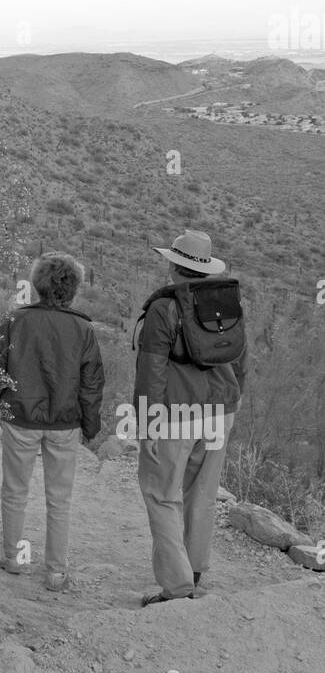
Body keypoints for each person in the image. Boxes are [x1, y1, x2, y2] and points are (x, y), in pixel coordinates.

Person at [133, 229, 247, 606]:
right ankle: (194, 571)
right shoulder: (227, 302)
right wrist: (235, 399)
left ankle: (177, 587)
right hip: (221, 412)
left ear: (173, 265)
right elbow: (240, 357)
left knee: (162, 495)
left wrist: (146, 424)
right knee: (202, 494)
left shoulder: (164, 309)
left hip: (178, 415)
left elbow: (152, 371)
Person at [0, 251, 109, 592]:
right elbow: (92, 383)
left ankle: (12, 557)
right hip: (64, 424)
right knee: (59, 499)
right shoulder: (83, 328)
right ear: (73, 288)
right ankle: (55, 572)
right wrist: (90, 427)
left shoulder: (15, 321)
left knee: (14, 490)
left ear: (38, 284)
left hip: (19, 419)